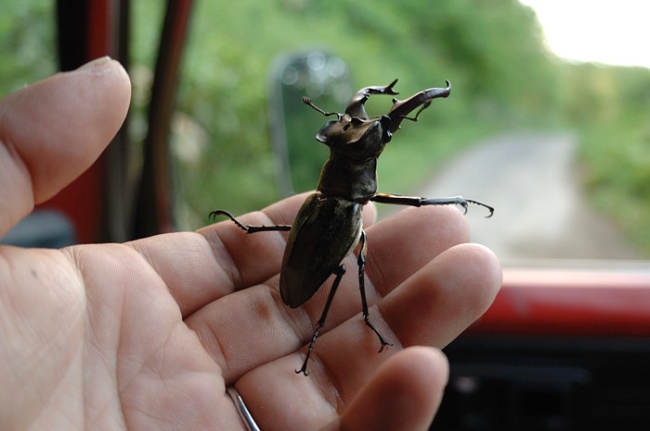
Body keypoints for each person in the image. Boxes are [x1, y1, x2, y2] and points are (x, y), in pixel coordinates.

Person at [0, 57, 501, 431]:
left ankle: (345, 315)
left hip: (315, 241)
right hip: (318, 252)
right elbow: (409, 203)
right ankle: (359, 316)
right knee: (350, 268)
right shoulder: (339, 205)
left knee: (345, 264)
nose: (363, 126)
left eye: (365, 131)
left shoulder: (320, 200)